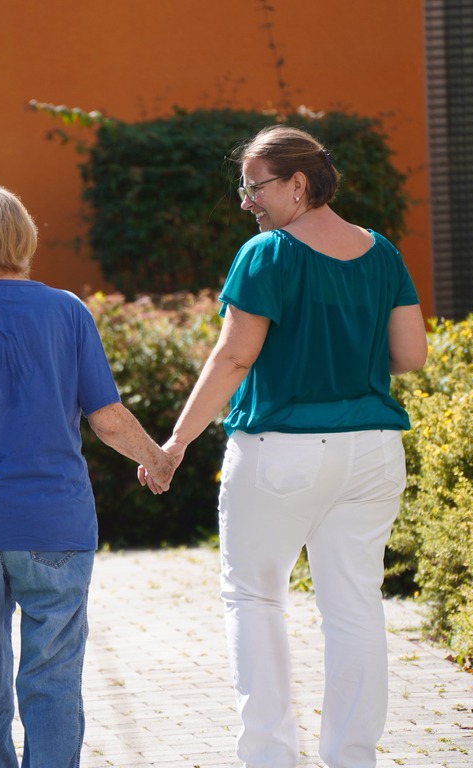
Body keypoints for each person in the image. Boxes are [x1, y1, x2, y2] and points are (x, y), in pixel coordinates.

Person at [140, 125, 428, 767]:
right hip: (374, 450)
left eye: (255, 187)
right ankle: (352, 757)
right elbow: (410, 354)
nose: (246, 201)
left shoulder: (269, 253)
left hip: (283, 450)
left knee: (255, 596)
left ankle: (271, 758)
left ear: (298, 184)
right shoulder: (383, 252)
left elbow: (235, 355)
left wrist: (175, 442)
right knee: (354, 603)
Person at [0, 177, 177, 767]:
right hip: (57, 526)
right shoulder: (69, 312)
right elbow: (106, 419)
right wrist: (158, 458)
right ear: (23, 239)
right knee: (52, 680)